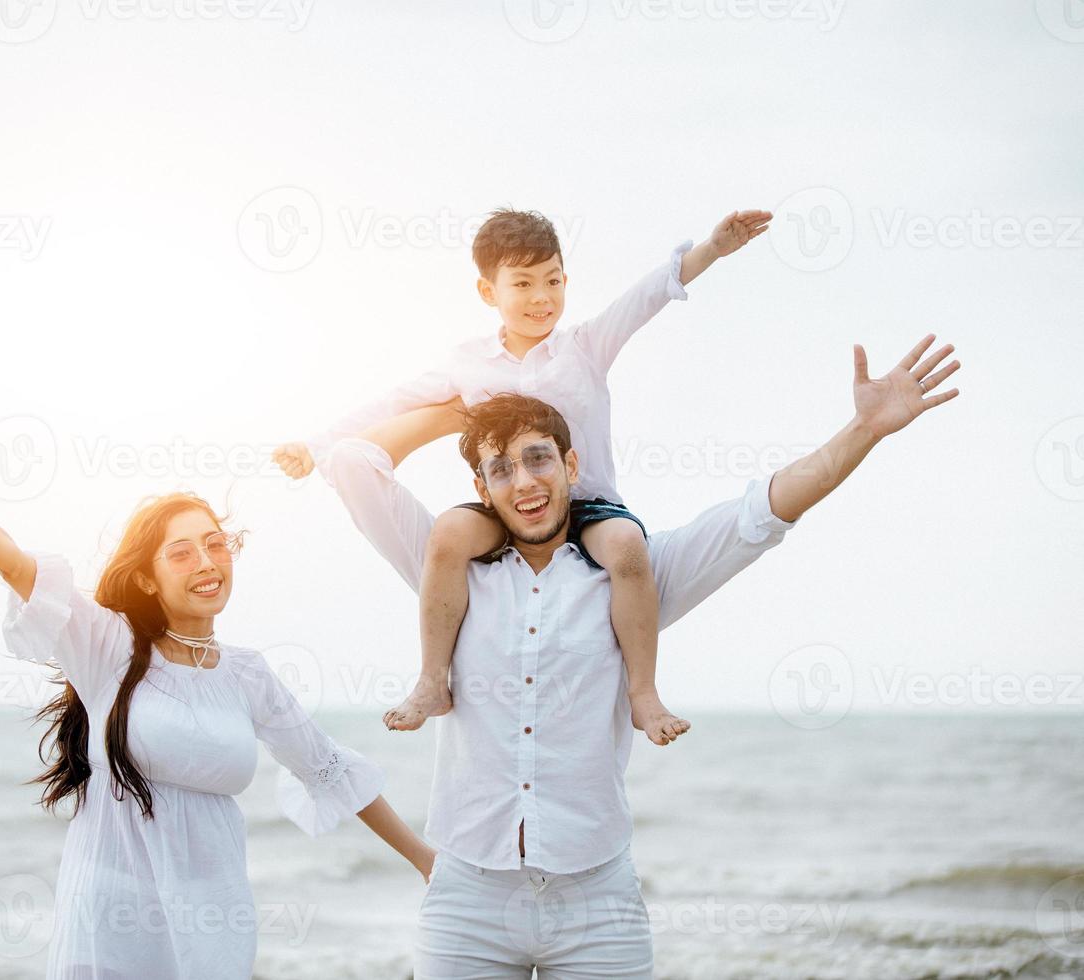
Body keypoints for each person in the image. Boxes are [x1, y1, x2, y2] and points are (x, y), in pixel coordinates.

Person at [313, 335, 959, 977]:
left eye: (538, 459)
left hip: (597, 904)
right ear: (481, 486)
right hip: (466, 902)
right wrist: (461, 409)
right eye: (501, 468)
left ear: (570, 466)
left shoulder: (636, 575)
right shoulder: (448, 570)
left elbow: (758, 514)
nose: (525, 481)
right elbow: (349, 463)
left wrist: (864, 430)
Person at [0, 411, 435, 979]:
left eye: (216, 543)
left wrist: (427, 862)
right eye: (182, 552)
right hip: (110, 916)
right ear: (148, 576)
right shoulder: (105, 646)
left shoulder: (248, 675)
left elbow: (327, 768)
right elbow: (10, 561)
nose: (207, 561)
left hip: (213, 920)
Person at [275, 207, 773, 742]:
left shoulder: (584, 345)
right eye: (523, 283)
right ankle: (431, 680)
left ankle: (644, 695)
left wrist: (712, 250)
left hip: (588, 509)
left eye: (553, 281)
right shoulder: (467, 362)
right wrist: (316, 444)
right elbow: (393, 400)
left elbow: (644, 298)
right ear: (489, 292)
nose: (542, 297)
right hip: (506, 509)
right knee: (446, 534)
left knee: (629, 546)